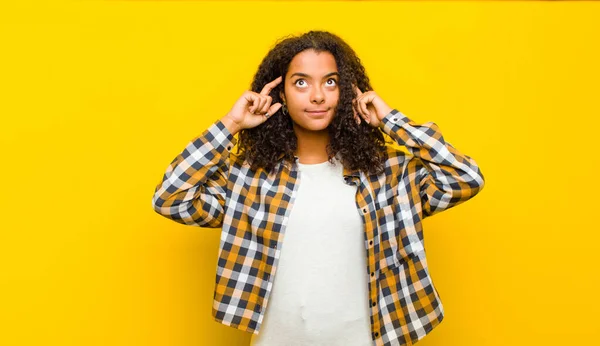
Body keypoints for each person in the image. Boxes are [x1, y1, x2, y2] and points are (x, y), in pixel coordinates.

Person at [151, 30, 485, 346]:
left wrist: (389, 120)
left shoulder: (388, 174)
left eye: (331, 82)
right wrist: (231, 125)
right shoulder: (249, 178)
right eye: (301, 83)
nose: (317, 95)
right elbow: (171, 198)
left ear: (348, 91)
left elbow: (465, 177)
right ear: (280, 94)